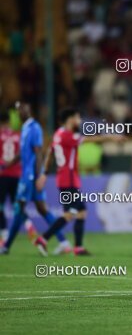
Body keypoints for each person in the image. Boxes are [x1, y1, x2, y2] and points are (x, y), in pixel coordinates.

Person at [34, 108, 124, 256]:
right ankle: (43, 239)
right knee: (70, 214)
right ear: (70, 119)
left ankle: (78, 247)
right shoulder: (68, 136)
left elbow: (49, 153)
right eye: (77, 117)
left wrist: (44, 173)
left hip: (65, 179)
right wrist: (111, 137)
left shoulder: (57, 134)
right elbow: (89, 140)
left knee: (81, 211)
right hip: (68, 180)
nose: (79, 120)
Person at [0, 102, 70, 255]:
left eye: (22, 110)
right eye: (18, 111)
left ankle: (5, 247)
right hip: (29, 175)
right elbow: (23, 154)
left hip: (29, 176)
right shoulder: (25, 128)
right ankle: (64, 243)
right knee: (42, 209)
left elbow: (38, 153)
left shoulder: (34, 128)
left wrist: (40, 175)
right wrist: (7, 164)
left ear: (28, 110)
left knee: (19, 208)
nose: (20, 113)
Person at [0, 110, 21, 243]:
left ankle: (5, 234)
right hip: (17, 175)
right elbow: (21, 153)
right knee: (18, 207)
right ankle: (30, 230)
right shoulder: (18, 135)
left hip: (2, 175)